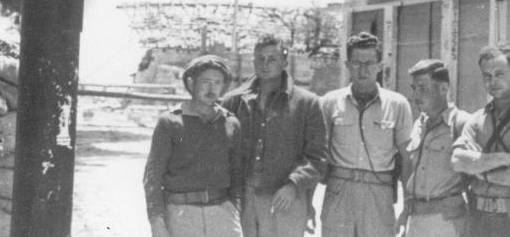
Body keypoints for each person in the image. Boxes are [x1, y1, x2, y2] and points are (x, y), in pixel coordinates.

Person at [221, 34, 327, 237]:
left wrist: (294, 184)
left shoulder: (307, 103)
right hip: (242, 199)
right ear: (253, 61)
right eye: (260, 58)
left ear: (285, 62)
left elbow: (318, 157)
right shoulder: (233, 102)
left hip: (285, 198)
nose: (265, 64)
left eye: (272, 59)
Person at [319, 32, 413, 237]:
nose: (363, 70)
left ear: (380, 66)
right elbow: (317, 155)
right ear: (347, 65)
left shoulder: (397, 104)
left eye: (369, 63)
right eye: (356, 63)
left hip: (378, 191)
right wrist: (309, 203)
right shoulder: (329, 102)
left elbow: (407, 159)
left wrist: (408, 207)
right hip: (339, 190)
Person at [451, 45, 510, 237]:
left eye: (499, 74)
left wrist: (482, 171)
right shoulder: (477, 120)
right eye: (487, 76)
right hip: (480, 221)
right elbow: (458, 160)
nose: (492, 81)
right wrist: (507, 159)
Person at [143, 55, 243, 237]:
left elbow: (238, 173)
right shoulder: (170, 122)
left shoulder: (231, 123)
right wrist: (156, 221)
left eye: (218, 83)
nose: (212, 88)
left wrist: (234, 208)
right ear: (191, 83)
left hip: (222, 215)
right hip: (181, 215)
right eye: (205, 82)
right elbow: (153, 176)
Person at [398, 59, 470, 237]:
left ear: (444, 88)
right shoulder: (419, 125)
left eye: (422, 88)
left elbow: (473, 181)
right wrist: (405, 211)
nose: (415, 95)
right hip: (416, 219)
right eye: (414, 88)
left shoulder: (461, 123)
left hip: (447, 221)